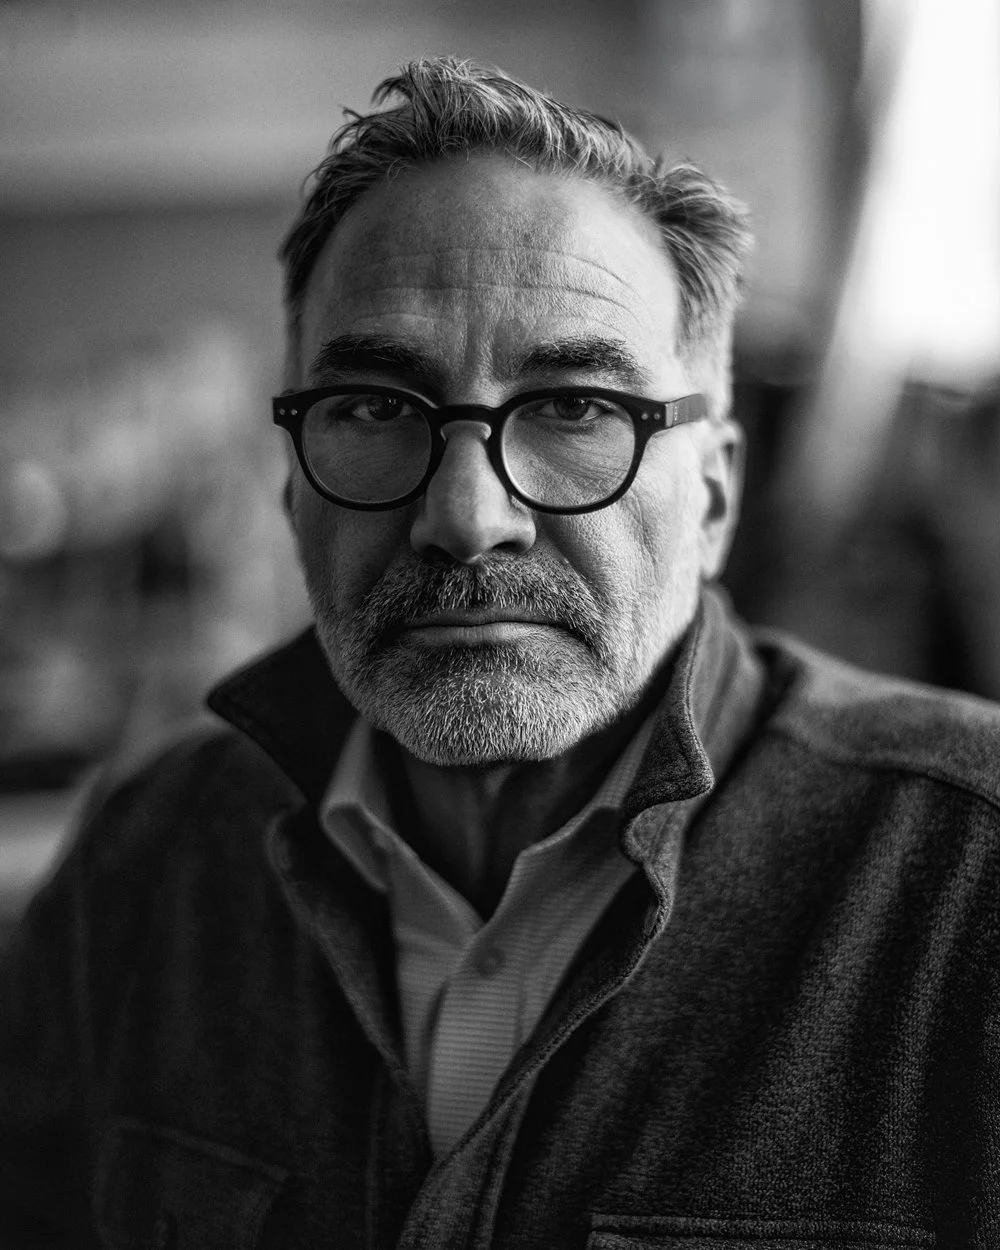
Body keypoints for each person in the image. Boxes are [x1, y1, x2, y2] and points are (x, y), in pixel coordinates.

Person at [1, 57, 997, 1250]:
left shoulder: (966, 887)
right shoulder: (145, 862)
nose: (467, 516)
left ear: (714, 494)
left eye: (575, 407)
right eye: (375, 409)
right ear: (290, 489)